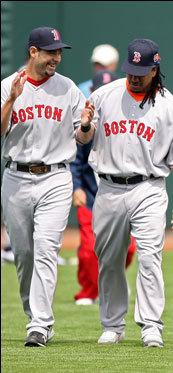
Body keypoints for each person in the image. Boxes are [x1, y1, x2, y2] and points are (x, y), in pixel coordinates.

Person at [83, 39, 173, 348]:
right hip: (107, 187)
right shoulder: (105, 94)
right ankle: (113, 325)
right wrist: (83, 127)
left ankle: (151, 325)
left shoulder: (169, 105)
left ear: (155, 69)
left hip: (149, 188)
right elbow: (83, 136)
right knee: (109, 259)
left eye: (141, 71)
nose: (134, 76)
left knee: (149, 257)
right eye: (131, 70)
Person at [1, 26, 95, 347]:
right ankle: (35, 317)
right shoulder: (8, 86)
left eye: (59, 52)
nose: (57, 57)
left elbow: (83, 137)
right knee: (24, 255)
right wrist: (11, 101)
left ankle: (39, 324)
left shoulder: (68, 88)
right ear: (33, 52)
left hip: (56, 176)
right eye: (51, 51)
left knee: (45, 249)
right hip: (15, 176)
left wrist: (84, 125)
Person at [70, 69, 137, 306]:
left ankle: (113, 280)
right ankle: (88, 291)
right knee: (89, 249)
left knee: (128, 250)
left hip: (119, 194)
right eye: (98, 89)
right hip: (90, 194)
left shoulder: (124, 116)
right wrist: (75, 187)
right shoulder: (84, 120)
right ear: (91, 91)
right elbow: (75, 160)